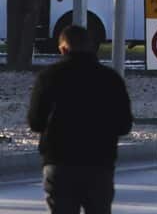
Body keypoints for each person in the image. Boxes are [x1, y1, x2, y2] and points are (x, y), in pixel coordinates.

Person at [27, 24, 133, 214]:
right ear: (92, 46)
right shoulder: (110, 79)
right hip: (99, 164)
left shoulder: (49, 77)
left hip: (59, 163)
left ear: (63, 48)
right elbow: (124, 125)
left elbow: (35, 121)